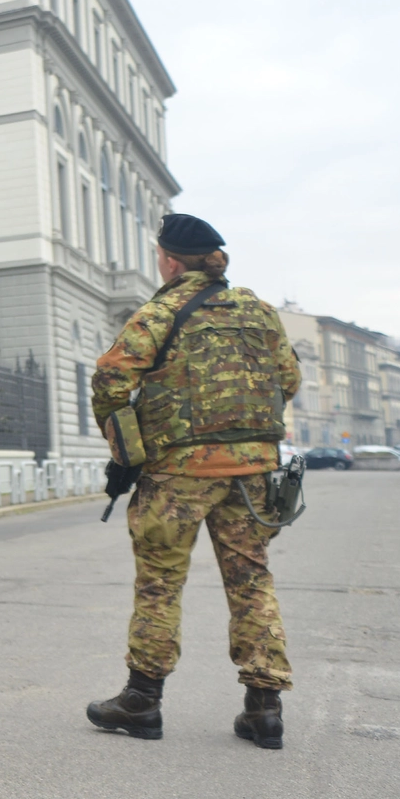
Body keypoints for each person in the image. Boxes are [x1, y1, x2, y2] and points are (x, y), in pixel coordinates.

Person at [87, 213, 300, 749]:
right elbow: (289, 379)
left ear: (170, 260)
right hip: (253, 473)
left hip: (179, 473)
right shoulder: (261, 312)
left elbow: (110, 379)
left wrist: (128, 452)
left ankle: (141, 702)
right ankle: (264, 708)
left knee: (160, 583)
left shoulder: (161, 311)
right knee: (252, 581)